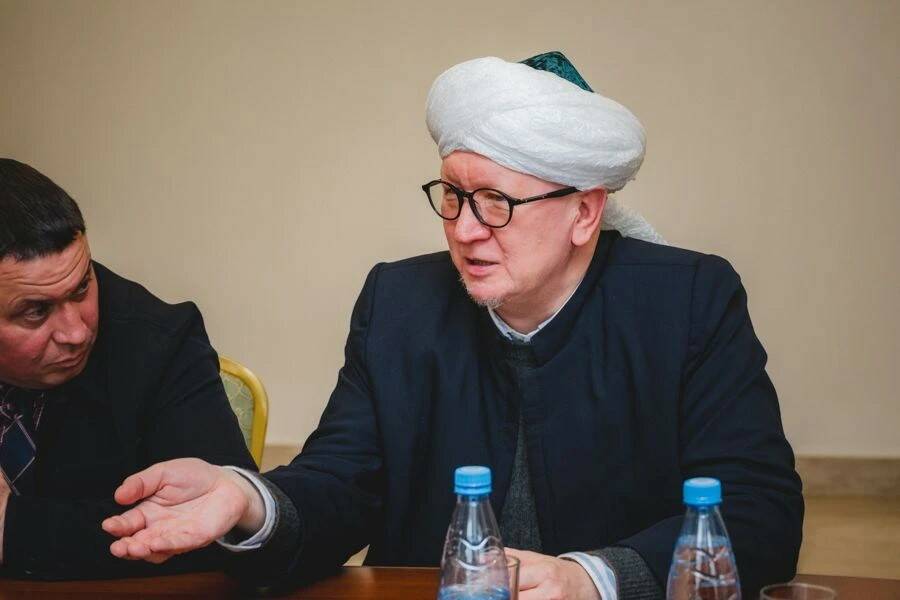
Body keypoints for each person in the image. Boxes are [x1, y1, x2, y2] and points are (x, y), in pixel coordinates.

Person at [103, 52, 803, 599]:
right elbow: (342, 480)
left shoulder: (687, 300)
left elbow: (758, 512)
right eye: (453, 196)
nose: (466, 230)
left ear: (585, 213)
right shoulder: (400, 301)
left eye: (497, 202)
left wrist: (592, 579)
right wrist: (249, 501)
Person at [0, 159, 257, 579]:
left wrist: (13, 529)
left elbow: (214, 527)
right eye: (35, 311)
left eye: (82, 287)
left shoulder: (159, 341)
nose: (76, 332)